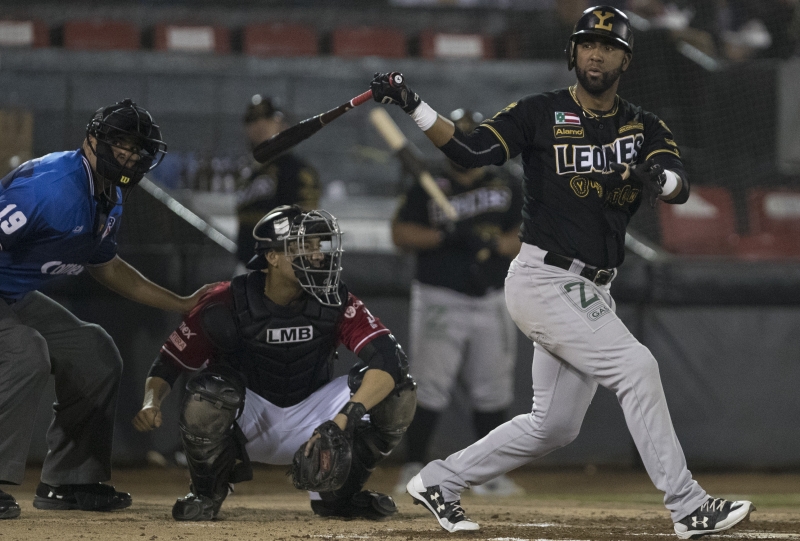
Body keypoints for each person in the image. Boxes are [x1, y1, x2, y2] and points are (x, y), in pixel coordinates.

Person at [370, 5, 755, 538]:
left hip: (593, 287)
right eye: (587, 44)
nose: (596, 54)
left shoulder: (643, 125)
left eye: (609, 46)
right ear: (573, 53)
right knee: (637, 367)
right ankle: (688, 505)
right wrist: (413, 104)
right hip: (545, 278)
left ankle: (439, 480)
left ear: (626, 59)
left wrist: (653, 176)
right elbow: (470, 151)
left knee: (553, 426)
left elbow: (679, 184)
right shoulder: (539, 112)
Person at [132, 205, 417, 522]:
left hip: (318, 425)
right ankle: (206, 494)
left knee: (399, 389)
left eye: (319, 245)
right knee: (207, 393)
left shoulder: (335, 299)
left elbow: (389, 360)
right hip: (246, 422)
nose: (317, 254)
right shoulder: (226, 301)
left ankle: (339, 495)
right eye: (303, 246)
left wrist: (344, 419)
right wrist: (151, 401)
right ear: (272, 257)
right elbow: (169, 362)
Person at [0, 99, 212, 520]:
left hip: (13, 294)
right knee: (25, 352)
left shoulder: (109, 194)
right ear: (92, 140)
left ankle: (69, 481)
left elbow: (109, 267)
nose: (130, 155)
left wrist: (182, 302)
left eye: (138, 148)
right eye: (122, 144)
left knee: (94, 352)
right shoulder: (49, 187)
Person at [390, 108, 524, 497]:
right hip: (440, 296)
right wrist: (445, 236)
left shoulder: (506, 182)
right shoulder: (427, 182)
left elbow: (527, 234)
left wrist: (492, 243)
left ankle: (489, 473)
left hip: (493, 295)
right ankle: (414, 466)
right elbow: (400, 234)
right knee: (429, 384)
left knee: (493, 387)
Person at [235, 95, 320, 269]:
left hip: (283, 268)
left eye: (268, 118)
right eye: (252, 119)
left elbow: (306, 226)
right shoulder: (247, 171)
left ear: (284, 125)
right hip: (247, 267)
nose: (260, 124)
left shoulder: (298, 171)